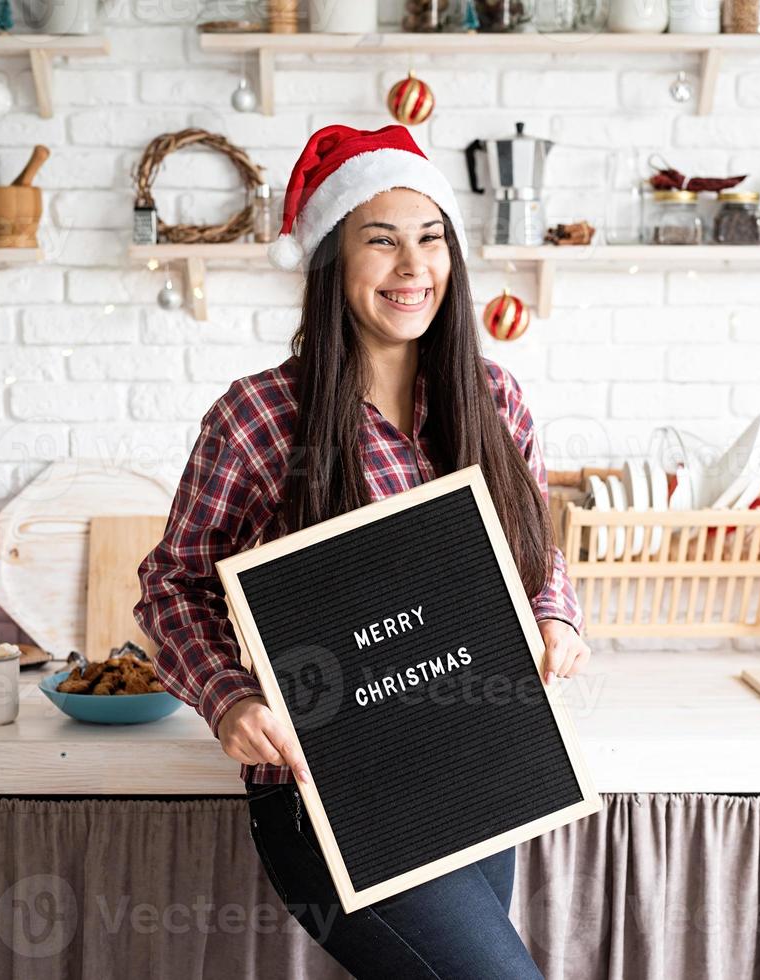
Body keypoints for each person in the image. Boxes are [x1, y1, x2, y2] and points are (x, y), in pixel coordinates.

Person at [134, 124, 590, 979]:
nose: (411, 268)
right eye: (379, 241)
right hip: (332, 796)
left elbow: (535, 552)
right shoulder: (260, 417)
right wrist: (230, 701)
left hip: (481, 765)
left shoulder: (494, 401)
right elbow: (172, 587)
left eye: (429, 240)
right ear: (330, 264)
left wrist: (552, 616)